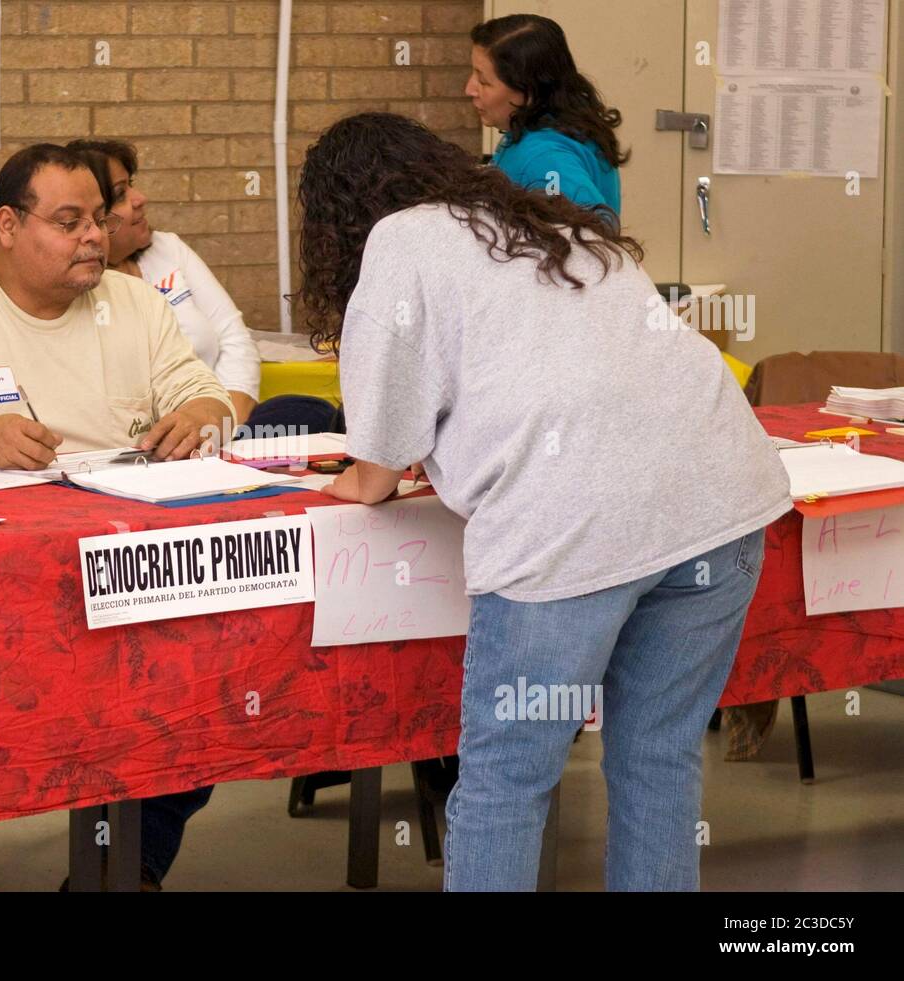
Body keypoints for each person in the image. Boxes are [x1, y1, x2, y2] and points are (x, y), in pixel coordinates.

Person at [297, 112, 792, 891]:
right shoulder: (555, 225)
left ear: (338, 214)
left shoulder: (398, 238)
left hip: (575, 526)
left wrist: (352, 478)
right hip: (724, 496)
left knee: (506, 779)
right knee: (658, 757)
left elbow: (381, 450)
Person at [0, 143, 234, 890]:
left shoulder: (136, 304)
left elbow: (207, 393)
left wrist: (201, 415)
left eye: (99, 217)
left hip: (118, 568)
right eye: (69, 221)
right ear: (7, 226)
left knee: (204, 684)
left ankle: (128, 864)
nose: (95, 235)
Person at [67, 138, 341, 439]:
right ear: (96, 219)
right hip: (154, 441)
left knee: (309, 413)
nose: (140, 198)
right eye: (121, 194)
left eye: (132, 184)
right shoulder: (83, 284)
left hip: (220, 423)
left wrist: (224, 424)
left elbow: (234, 337)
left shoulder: (166, 248)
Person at [467, 14, 626, 221]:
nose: (470, 89)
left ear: (529, 92)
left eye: (484, 81)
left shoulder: (545, 157)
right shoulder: (544, 127)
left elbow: (593, 229)